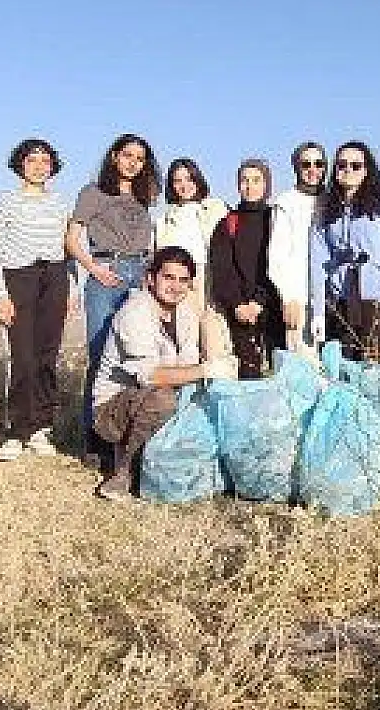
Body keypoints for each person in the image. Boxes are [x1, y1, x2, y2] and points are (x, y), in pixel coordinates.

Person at [90, 247, 237, 500]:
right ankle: (123, 471)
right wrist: (206, 370)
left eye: (183, 280)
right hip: (114, 409)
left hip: (163, 395)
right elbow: (152, 377)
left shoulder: (186, 315)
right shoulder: (134, 313)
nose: (176, 286)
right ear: (150, 278)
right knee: (162, 399)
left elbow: (187, 367)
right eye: (168, 277)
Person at [66, 133, 160, 462]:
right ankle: (94, 438)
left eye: (140, 158)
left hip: (140, 275)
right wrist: (93, 268)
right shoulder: (92, 193)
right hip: (107, 272)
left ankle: (125, 434)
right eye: (128, 156)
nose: (133, 163)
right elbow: (72, 239)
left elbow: (149, 243)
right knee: (99, 353)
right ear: (114, 157)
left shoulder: (144, 196)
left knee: (134, 355)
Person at [0, 138, 74, 462]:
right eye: (32, 160)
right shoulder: (5, 201)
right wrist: (0, 294)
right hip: (18, 277)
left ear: (53, 167)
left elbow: (68, 247)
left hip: (54, 276)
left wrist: (72, 288)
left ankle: (41, 428)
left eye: (45, 161)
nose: (39, 166)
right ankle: (16, 430)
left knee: (47, 356)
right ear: (20, 164)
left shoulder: (61, 203)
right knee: (22, 356)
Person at [310, 141, 380, 361]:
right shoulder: (325, 208)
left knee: (373, 367)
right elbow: (317, 261)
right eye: (342, 164)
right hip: (340, 300)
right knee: (344, 368)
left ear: (366, 170)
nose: (348, 170)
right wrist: (318, 310)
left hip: (374, 298)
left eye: (356, 165)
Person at [210, 159, 286, 378]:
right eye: (244, 180)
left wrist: (260, 302)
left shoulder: (277, 219)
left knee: (278, 375)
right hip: (240, 312)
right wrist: (238, 304)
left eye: (256, 180)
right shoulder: (228, 223)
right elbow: (222, 269)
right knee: (248, 376)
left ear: (267, 185)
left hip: (273, 309)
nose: (250, 186)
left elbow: (281, 264)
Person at [268, 141, 326, 350]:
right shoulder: (286, 202)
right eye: (306, 164)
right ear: (296, 167)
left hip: (330, 301)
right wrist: (288, 297)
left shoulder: (332, 201)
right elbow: (277, 257)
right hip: (299, 301)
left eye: (318, 164)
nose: (313, 169)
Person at [155, 157, 229, 312]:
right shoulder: (164, 221)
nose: (184, 186)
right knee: (186, 333)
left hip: (211, 279)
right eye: (177, 181)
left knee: (214, 332)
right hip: (179, 282)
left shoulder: (216, 208)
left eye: (189, 179)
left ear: (197, 180)